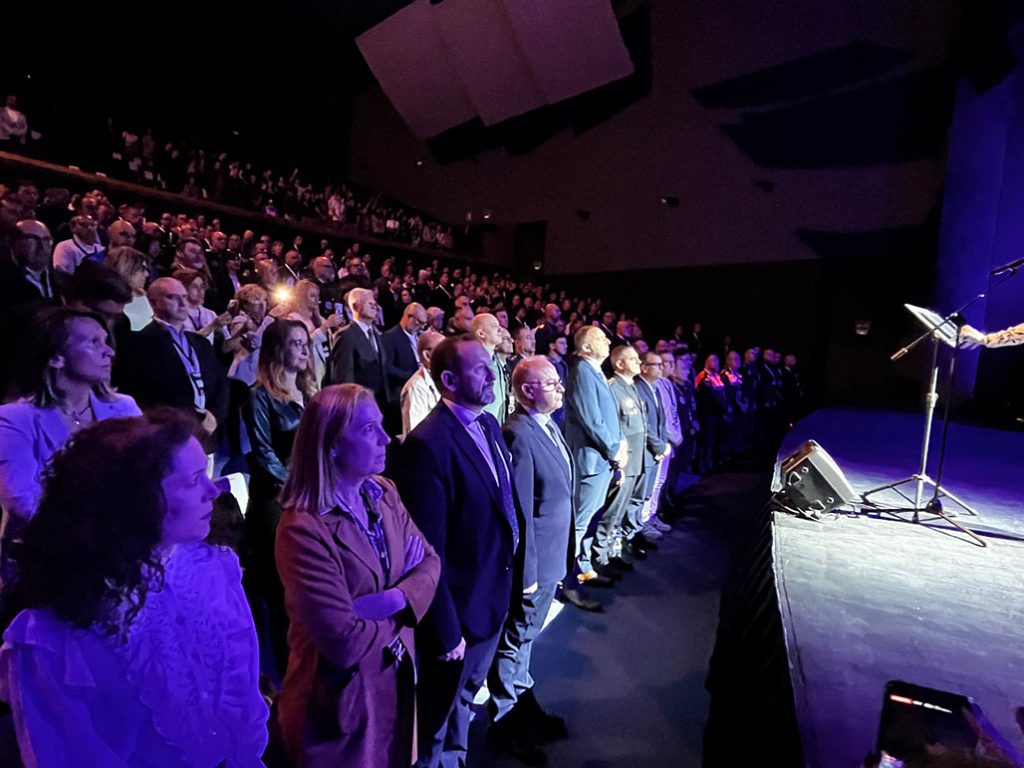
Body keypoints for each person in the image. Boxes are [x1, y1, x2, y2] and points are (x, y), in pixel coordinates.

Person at [0, 410, 269, 766]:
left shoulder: (213, 571)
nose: (212, 490)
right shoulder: (52, 635)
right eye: (192, 481)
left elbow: (242, 690)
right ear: (135, 499)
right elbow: (71, 753)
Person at [275, 384, 440, 768]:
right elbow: (343, 641)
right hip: (341, 699)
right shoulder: (303, 527)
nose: (386, 438)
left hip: (395, 679)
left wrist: (390, 600)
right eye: (369, 430)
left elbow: (431, 563)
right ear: (331, 443)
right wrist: (409, 596)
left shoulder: (383, 492)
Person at [395, 335, 519, 768]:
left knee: (465, 699)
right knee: (435, 715)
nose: (492, 375)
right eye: (480, 368)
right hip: (459, 616)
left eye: (492, 366)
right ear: (448, 380)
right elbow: (429, 550)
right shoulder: (428, 446)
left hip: (491, 597)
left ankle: (456, 756)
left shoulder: (486, 424)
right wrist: (446, 630)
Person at [0, 308, 141, 584]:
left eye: (106, 341)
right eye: (93, 343)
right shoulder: (13, 419)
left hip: (117, 559)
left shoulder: (124, 407)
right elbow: (23, 501)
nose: (109, 352)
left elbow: (145, 477)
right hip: (43, 565)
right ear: (55, 356)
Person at [487, 357, 572, 763]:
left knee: (526, 639)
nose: (560, 388)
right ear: (526, 391)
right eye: (551, 383)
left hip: (553, 557)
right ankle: (505, 722)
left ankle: (524, 706)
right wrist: (528, 574)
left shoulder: (548, 425)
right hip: (534, 565)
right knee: (515, 640)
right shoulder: (518, 434)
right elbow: (520, 513)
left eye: (558, 381)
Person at [242, 319, 318, 679]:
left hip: (309, 497)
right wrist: (296, 486)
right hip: (277, 501)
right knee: (279, 590)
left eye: (306, 343)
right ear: (277, 350)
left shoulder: (310, 391)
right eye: (296, 344)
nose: (304, 350)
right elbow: (262, 453)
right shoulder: (259, 395)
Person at [114, 277, 228, 451]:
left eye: (184, 297)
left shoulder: (200, 343)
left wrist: (214, 416)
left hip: (207, 436)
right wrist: (194, 418)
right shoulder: (141, 343)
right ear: (154, 303)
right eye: (173, 297)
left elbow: (221, 383)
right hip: (169, 436)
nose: (183, 303)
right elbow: (152, 391)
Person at [563, 326, 624, 609]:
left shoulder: (595, 371)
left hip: (601, 461)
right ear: (586, 348)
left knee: (590, 521)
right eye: (601, 338)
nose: (608, 341)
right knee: (579, 525)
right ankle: (568, 583)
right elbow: (592, 420)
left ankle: (583, 570)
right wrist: (615, 452)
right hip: (591, 462)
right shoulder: (582, 373)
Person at [592, 345, 649, 572]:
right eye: (632, 359)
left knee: (621, 511)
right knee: (611, 512)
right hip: (625, 461)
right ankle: (600, 558)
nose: (638, 362)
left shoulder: (632, 387)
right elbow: (614, 427)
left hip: (636, 460)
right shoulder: (613, 388)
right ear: (619, 364)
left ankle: (613, 552)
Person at [327, 287, 389, 406]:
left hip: (379, 403)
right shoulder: (346, 335)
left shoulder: (376, 334)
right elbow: (343, 377)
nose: (374, 306)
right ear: (355, 306)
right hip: (358, 405)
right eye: (369, 303)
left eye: (375, 303)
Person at [400, 329, 443, 440]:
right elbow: (415, 435)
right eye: (444, 350)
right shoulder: (415, 388)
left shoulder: (444, 380)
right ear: (427, 355)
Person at [471, 313, 508, 423]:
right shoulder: (472, 362)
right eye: (494, 325)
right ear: (481, 333)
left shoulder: (496, 360)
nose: (500, 329)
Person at [106, 246, 153, 331]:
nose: (146, 274)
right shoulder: (110, 302)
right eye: (141, 269)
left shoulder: (143, 294)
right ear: (126, 269)